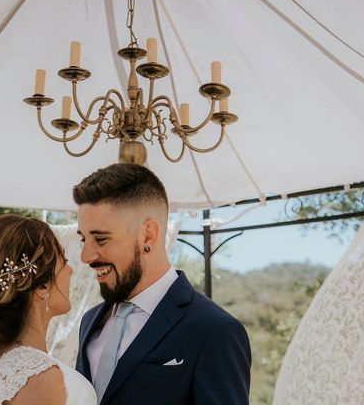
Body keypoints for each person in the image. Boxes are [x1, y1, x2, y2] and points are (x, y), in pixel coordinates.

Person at [73, 163, 251, 405]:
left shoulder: (214, 331)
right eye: (83, 238)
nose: (86, 256)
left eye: (100, 238)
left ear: (147, 234)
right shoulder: (89, 322)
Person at [0, 214, 96, 404]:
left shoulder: (6, 364)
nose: (71, 270)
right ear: (42, 285)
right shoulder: (38, 377)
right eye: (64, 260)